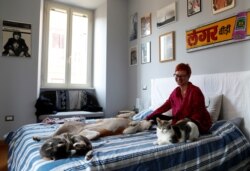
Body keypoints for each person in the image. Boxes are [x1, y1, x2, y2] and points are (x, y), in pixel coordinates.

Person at [146, 63, 212, 134]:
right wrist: (148, 117)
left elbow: (199, 113)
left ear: (188, 76)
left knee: (188, 126)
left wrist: (185, 120)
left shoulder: (195, 91)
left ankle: (176, 129)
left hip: (195, 122)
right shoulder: (175, 92)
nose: (179, 78)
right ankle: (175, 128)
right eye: (177, 75)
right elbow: (165, 106)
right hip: (178, 121)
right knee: (155, 117)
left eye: (182, 76)